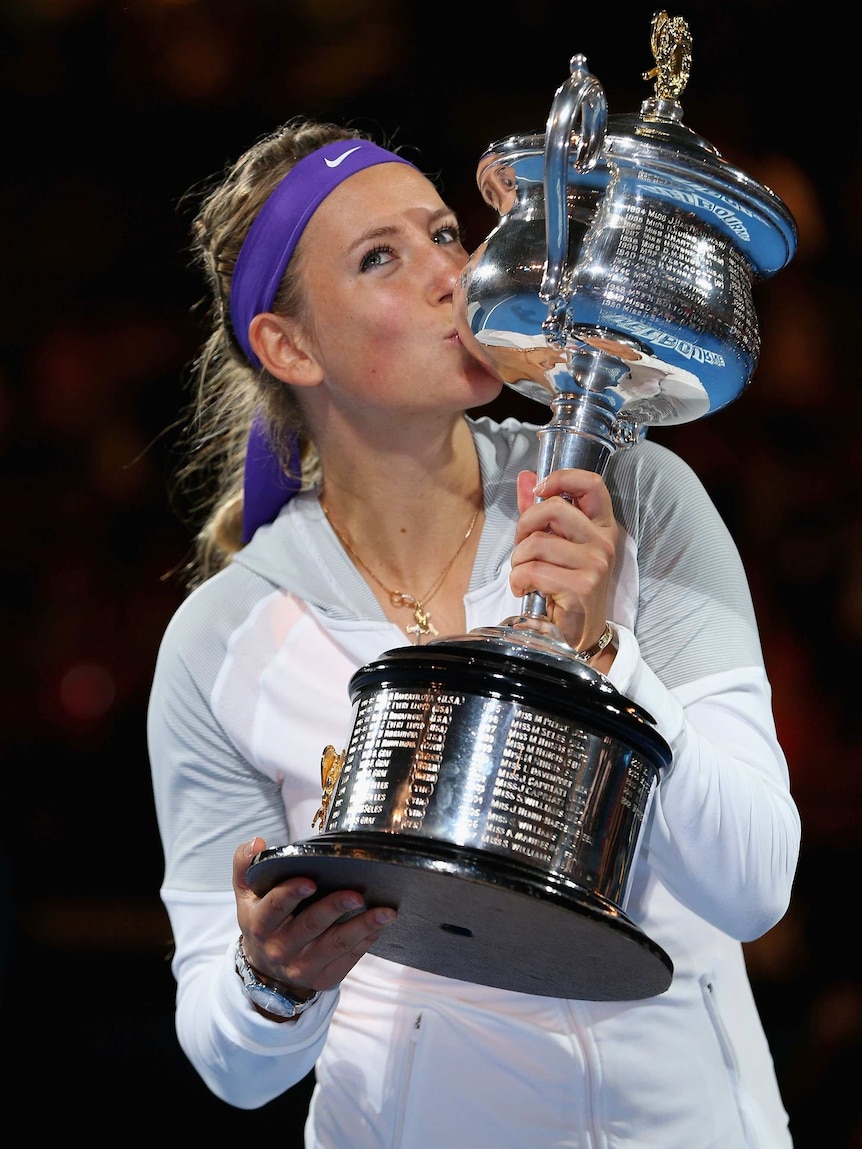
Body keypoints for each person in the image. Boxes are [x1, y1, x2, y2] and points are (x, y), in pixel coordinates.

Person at [147, 114, 802, 1148]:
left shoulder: (633, 497)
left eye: (448, 234)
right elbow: (231, 1065)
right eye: (380, 258)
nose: (450, 275)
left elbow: (755, 885)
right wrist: (272, 982)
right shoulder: (223, 640)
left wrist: (605, 655)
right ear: (289, 345)